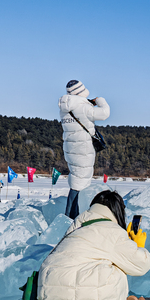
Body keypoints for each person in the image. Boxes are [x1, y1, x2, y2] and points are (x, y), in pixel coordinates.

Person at [32, 190, 150, 300]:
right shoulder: (112, 231)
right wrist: (137, 245)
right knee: (117, 268)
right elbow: (141, 265)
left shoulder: (75, 227)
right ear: (118, 211)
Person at [59, 79, 110, 220]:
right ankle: (71, 217)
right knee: (81, 182)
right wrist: (100, 100)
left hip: (70, 148)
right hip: (83, 149)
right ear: (81, 92)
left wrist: (86, 102)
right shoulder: (83, 107)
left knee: (76, 178)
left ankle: (72, 215)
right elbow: (105, 113)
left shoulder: (65, 109)